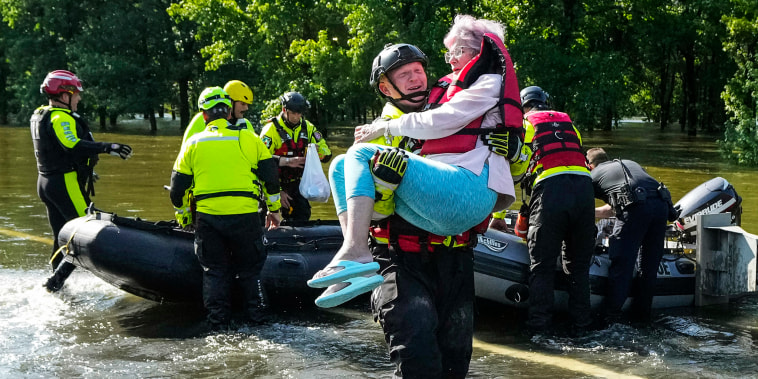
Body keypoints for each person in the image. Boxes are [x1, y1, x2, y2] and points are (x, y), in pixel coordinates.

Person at [311, 12, 523, 333]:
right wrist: (382, 186)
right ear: (385, 87)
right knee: (416, 356)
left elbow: (515, 148)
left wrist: (518, 149)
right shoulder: (382, 126)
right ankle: (356, 255)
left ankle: (355, 256)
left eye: (418, 70)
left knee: (454, 360)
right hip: (402, 255)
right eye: (404, 74)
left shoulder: (450, 95)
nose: (416, 78)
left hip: (454, 252)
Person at [170, 87, 282, 331]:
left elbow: (177, 190)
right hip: (245, 216)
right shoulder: (249, 139)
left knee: (214, 271)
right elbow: (271, 179)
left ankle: (218, 326)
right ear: (229, 111)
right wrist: (274, 209)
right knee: (251, 271)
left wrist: (184, 215)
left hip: (209, 219)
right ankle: (259, 321)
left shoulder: (193, 143)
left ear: (203, 114)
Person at [31, 69, 133, 292]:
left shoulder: (41, 114)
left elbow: (55, 151)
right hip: (63, 183)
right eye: (75, 93)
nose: (79, 97)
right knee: (83, 233)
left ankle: (55, 287)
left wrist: (87, 170)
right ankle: (55, 283)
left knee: (60, 235)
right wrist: (109, 147)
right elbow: (72, 145)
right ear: (64, 95)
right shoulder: (59, 117)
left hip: (47, 183)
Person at [518, 85, 596, 336]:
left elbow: (513, 169)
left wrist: (498, 216)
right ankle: (582, 327)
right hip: (584, 190)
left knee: (541, 265)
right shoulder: (569, 124)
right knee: (579, 267)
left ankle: (539, 330)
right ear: (546, 103)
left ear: (524, 106)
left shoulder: (524, 125)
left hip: (551, 190)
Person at [586, 147, 678, 325]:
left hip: (636, 210)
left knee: (622, 264)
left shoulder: (594, 175)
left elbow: (581, 202)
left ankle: (610, 318)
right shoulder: (629, 164)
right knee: (649, 266)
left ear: (589, 165)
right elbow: (625, 201)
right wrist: (594, 212)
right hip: (661, 206)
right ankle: (642, 317)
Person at [175, 80, 257, 229]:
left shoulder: (246, 125)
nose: (246, 108)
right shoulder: (200, 122)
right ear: (230, 102)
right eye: (243, 104)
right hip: (204, 194)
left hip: (237, 194)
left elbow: (254, 160)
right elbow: (186, 161)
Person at [259, 92, 332, 221]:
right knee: (262, 216)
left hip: (297, 184)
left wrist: (316, 151)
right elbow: (261, 162)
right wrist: (278, 191)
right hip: (274, 184)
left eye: (300, 113)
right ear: (284, 110)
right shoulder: (270, 130)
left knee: (303, 215)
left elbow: (327, 154)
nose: (297, 117)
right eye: (293, 113)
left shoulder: (307, 127)